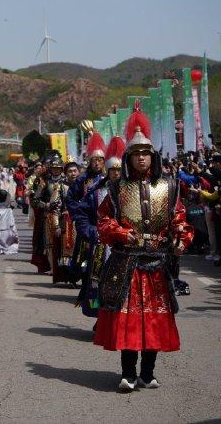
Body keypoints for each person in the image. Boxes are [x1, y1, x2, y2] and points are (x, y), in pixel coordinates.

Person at [93, 103, 193, 391]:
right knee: (129, 321)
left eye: (145, 153)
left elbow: (179, 219)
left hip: (157, 265)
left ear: (153, 156)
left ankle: (147, 374)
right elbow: (104, 222)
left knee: (154, 321)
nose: (141, 159)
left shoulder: (169, 187)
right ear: (128, 158)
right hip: (127, 264)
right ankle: (127, 373)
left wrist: (181, 239)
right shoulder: (116, 189)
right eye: (136, 153)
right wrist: (123, 234)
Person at [77, 136, 125, 318]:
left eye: (119, 170)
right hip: (100, 246)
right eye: (112, 170)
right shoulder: (95, 192)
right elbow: (82, 215)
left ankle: (119, 320)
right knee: (98, 283)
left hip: (125, 245)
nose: (116, 173)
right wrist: (91, 231)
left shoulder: (132, 191)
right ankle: (101, 318)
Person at [67, 133, 106, 284]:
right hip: (89, 226)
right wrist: (79, 214)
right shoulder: (83, 179)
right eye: (93, 160)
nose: (97, 163)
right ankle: (89, 295)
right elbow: (70, 198)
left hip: (108, 226)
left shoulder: (110, 179)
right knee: (86, 262)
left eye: (100, 160)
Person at [31, 153, 70, 283]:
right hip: (49, 216)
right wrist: (45, 204)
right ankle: (53, 268)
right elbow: (35, 200)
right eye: (54, 168)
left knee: (65, 242)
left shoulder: (67, 181)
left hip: (65, 215)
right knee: (50, 243)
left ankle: (65, 268)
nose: (56, 170)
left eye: (58, 168)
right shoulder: (44, 182)